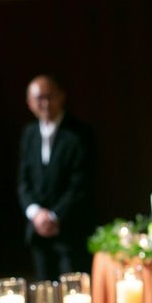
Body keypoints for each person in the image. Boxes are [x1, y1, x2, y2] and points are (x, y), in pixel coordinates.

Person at [18, 74, 94, 281]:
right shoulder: (29, 134)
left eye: (49, 96)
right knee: (44, 292)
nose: (45, 104)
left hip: (71, 231)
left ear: (61, 97)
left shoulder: (80, 134)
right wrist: (36, 214)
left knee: (73, 291)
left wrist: (53, 216)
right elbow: (23, 182)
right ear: (29, 103)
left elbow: (81, 184)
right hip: (37, 232)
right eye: (39, 98)